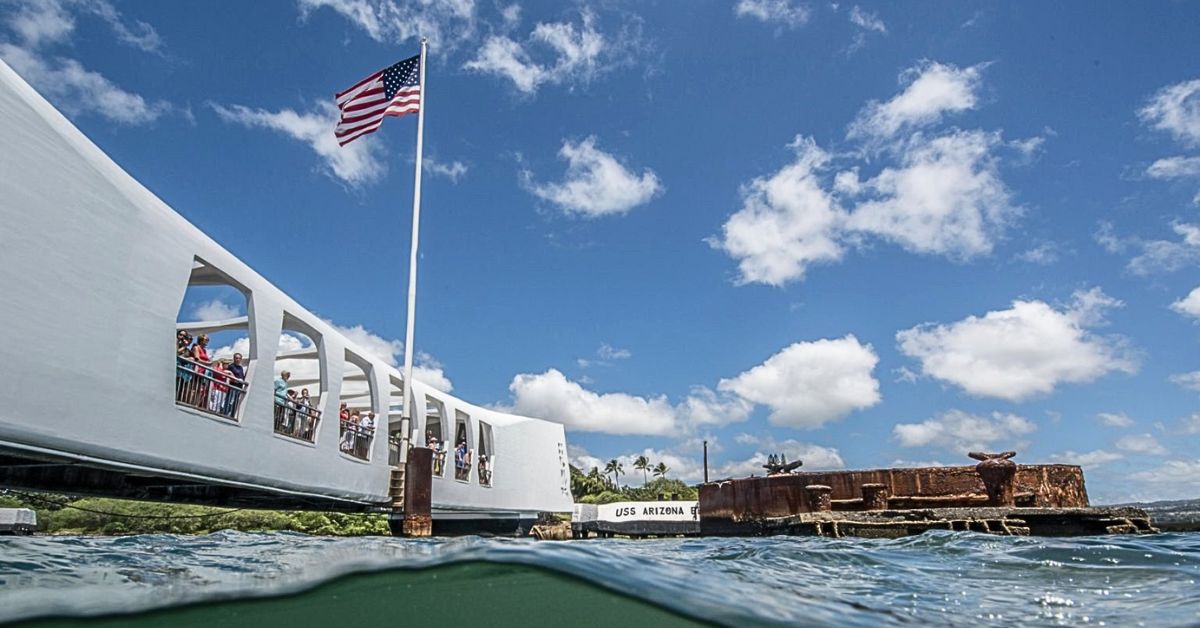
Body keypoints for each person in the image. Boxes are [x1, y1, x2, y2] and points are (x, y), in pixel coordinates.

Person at [190, 334, 212, 407]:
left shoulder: (204, 350)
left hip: (202, 372)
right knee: (194, 388)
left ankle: (195, 404)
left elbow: (206, 359)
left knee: (200, 390)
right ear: (201, 340)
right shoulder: (196, 348)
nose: (207, 341)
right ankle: (190, 403)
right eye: (206, 340)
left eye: (207, 340)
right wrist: (207, 363)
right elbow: (197, 359)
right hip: (196, 370)